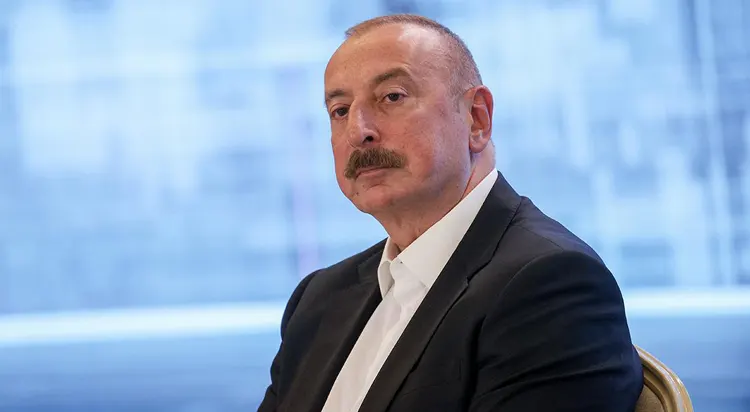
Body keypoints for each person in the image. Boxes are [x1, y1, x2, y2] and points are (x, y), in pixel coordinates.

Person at [258, 13, 643, 412]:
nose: (358, 131)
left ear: (477, 119)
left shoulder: (549, 284)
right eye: (340, 110)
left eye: (392, 97)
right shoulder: (320, 298)